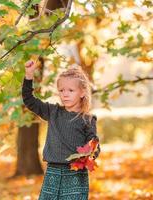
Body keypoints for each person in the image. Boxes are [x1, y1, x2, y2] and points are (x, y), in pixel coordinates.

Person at [21, 60, 101, 199]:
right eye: (61, 90)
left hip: (75, 173)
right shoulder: (53, 112)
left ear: (82, 92)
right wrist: (29, 75)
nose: (65, 94)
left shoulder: (87, 119)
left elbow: (94, 145)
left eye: (70, 90)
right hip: (53, 171)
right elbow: (29, 100)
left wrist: (90, 155)